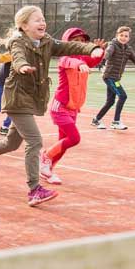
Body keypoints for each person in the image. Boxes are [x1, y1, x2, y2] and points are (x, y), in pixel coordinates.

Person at [0, 6, 102, 206]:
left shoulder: (47, 42)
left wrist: (91, 48)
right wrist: (22, 66)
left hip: (30, 99)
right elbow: (17, 56)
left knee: (12, 143)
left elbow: (69, 47)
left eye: (43, 19)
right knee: (35, 141)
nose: (42, 23)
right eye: (37, 20)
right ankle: (34, 190)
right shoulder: (18, 41)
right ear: (24, 25)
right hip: (17, 98)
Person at [40, 28, 104, 184]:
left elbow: (94, 61)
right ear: (67, 43)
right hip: (60, 107)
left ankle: (47, 171)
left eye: (82, 41)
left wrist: (100, 51)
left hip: (73, 108)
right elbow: (71, 62)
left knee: (63, 143)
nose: (80, 44)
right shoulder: (65, 59)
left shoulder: (83, 57)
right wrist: (80, 63)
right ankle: (45, 157)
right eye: (75, 41)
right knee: (74, 138)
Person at [91, 26, 135, 130]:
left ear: (129, 38)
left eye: (126, 36)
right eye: (121, 35)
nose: (123, 38)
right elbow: (108, 53)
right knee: (122, 96)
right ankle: (116, 121)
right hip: (109, 77)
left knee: (110, 101)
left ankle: (96, 119)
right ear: (117, 35)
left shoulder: (128, 49)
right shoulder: (112, 45)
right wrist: (103, 60)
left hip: (116, 79)